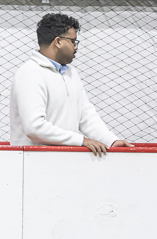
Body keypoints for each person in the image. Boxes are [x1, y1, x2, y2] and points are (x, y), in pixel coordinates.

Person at [9, 13, 131, 155]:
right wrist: (82, 140)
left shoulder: (71, 73)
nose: (75, 47)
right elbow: (34, 127)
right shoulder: (30, 73)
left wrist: (111, 141)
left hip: (65, 159)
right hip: (31, 161)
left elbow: (85, 115)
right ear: (58, 42)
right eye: (73, 41)